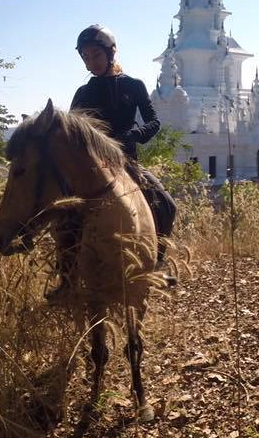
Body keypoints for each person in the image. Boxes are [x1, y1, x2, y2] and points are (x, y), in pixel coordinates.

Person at [69, 24, 178, 285]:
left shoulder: (133, 86)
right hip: (93, 166)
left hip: (126, 162)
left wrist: (135, 135)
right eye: (85, 57)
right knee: (66, 214)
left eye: (95, 55)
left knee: (166, 204)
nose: (91, 62)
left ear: (110, 53)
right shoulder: (83, 94)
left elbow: (154, 121)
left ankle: (156, 263)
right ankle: (67, 274)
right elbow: (72, 132)